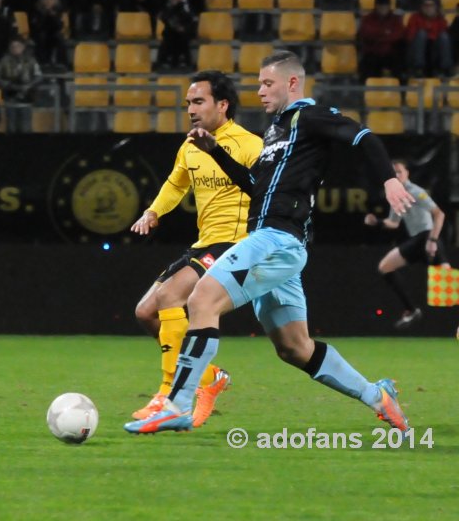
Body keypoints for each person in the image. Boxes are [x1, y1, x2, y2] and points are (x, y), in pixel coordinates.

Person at [126, 50, 415, 435]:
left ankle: (177, 403)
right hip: (277, 246)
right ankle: (377, 396)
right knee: (295, 348)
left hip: (275, 240)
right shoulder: (276, 134)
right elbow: (253, 187)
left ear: (292, 83)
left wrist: (389, 180)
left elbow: (363, 137)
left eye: (267, 84)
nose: (259, 92)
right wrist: (218, 153)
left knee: (201, 299)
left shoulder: (309, 117)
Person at [129, 70, 263, 426]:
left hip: (235, 242)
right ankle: (209, 377)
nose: (190, 108)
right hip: (204, 243)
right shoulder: (190, 145)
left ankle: (169, 395)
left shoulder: (250, 145)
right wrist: (153, 211)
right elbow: (176, 184)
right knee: (145, 313)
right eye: (188, 102)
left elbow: (266, 194)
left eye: (199, 101)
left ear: (223, 105)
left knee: (171, 296)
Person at [364, 159, 451, 330]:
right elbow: (393, 223)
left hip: (427, 237)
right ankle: (411, 310)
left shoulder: (416, 191)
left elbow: (439, 214)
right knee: (385, 267)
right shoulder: (396, 195)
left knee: (449, 285)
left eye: (399, 172)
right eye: (393, 173)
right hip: (417, 240)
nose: (396, 175)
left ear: (407, 173)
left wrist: (432, 241)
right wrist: (377, 222)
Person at [357, 0, 405, 82]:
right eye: (380, 6)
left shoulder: (396, 19)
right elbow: (366, 34)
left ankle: (401, 93)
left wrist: (378, 36)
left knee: (400, 68)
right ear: (376, 6)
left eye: (385, 6)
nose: (383, 8)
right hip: (373, 53)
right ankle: (365, 92)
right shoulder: (368, 19)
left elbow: (398, 35)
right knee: (367, 69)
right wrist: (386, 34)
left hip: (391, 54)